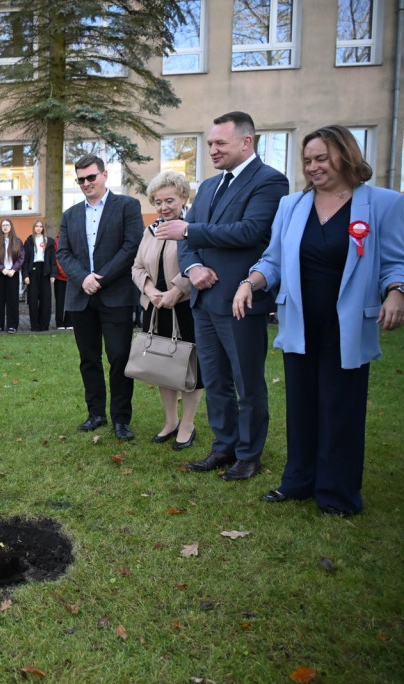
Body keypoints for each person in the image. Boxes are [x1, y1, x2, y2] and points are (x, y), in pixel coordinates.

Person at [233, 125, 404, 516]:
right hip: (300, 323)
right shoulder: (291, 206)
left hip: (347, 325)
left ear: (345, 155)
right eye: (308, 160)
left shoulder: (383, 204)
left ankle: (338, 494)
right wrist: (249, 283)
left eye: (322, 158)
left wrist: (397, 290)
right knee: (302, 406)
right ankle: (298, 481)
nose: (313, 167)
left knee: (340, 409)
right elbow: (272, 261)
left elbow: (395, 261)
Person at [156, 111, 289, 480]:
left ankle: (249, 454)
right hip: (204, 301)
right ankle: (224, 446)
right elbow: (187, 243)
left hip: (241, 301)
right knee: (215, 381)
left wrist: (190, 233)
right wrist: (193, 269)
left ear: (246, 142)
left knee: (247, 382)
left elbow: (249, 231)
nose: (212, 150)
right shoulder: (210, 187)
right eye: (210, 143)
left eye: (219, 143)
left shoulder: (270, 182)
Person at [57, 154, 143, 442]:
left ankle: (121, 418)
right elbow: (63, 253)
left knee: (119, 357)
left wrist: (101, 277)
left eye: (90, 177)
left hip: (115, 295)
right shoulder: (70, 215)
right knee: (88, 359)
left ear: (105, 175)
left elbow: (131, 246)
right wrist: (84, 278)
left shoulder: (127, 207)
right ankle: (96, 414)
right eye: (80, 179)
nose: (86, 183)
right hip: (82, 297)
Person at [131, 171, 204, 450]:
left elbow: (199, 261)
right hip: (156, 308)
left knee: (190, 369)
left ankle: (188, 424)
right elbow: (137, 266)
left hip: (186, 307)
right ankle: (171, 421)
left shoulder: (193, 226)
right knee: (163, 367)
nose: (164, 207)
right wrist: (150, 290)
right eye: (158, 201)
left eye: (170, 200)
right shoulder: (150, 231)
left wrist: (176, 290)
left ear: (184, 197)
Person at [0, 218, 25, 332]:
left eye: (7, 225)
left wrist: (13, 270)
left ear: (11, 227)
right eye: (3, 225)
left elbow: (21, 257)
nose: (5, 227)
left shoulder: (17, 241)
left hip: (12, 274)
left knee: (12, 300)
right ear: (0, 227)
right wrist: (2, 269)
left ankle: (12, 325)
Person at [23, 219, 55, 331]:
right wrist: (25, 275)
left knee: (45, 300)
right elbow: (25, 260)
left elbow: (52, 259)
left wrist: (53, 274)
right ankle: (34, 326)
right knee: (33, 299)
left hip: (45, 271)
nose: (38, 228)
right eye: (36, 226)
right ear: (34, 227)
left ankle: (44, 325)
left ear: (43, 228)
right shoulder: (29, 241)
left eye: (40, 226)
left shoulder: (49, 241)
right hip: (33, 271)